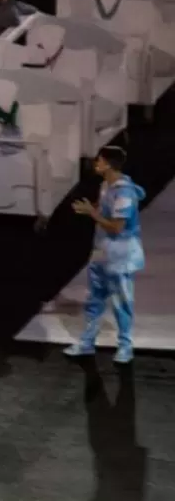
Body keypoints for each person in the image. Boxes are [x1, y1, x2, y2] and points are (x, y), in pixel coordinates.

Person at [66, 146, 145, 364]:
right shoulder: (105, 185)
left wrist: (92, 213)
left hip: (120, 257)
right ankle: (87, 343)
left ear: (108, 164)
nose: (95, 164)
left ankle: (125, 347)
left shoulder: (124, 193)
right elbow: (103, 211)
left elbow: (117, 227)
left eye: (98, 160)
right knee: (94, 300)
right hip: (101, 253)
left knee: (122, 303)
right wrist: (90, 208)